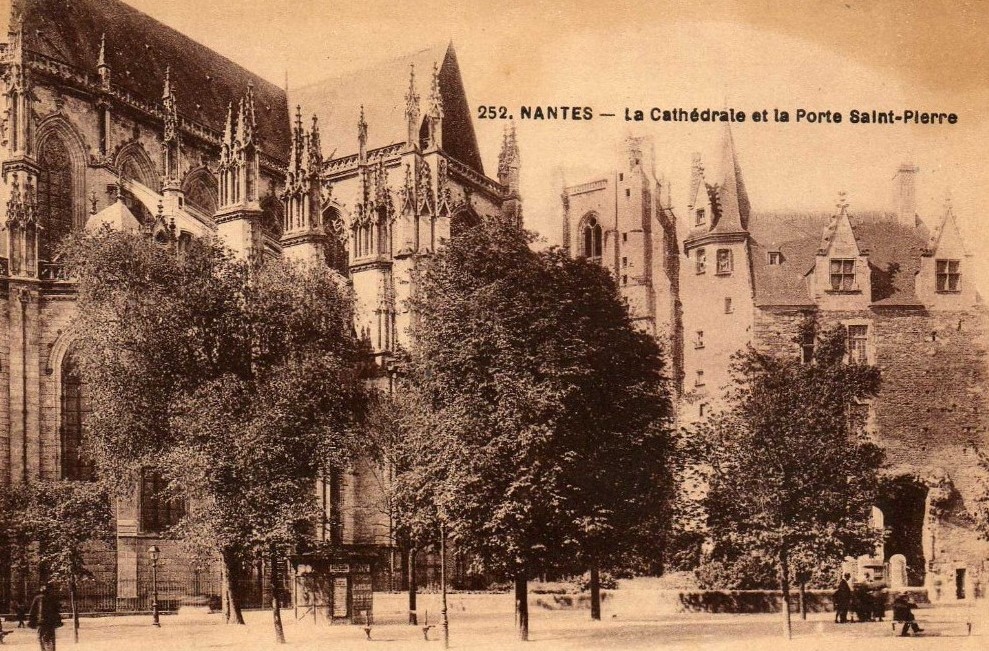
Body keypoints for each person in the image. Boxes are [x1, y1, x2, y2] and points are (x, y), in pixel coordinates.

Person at [27, 585, 62, 651]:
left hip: (41, 622)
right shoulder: (52, 598)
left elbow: (32, 611)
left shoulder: (37, 598)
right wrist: (58, 621)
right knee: (51, 638)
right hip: (50, 622)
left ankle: (43, 649)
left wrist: (31, 621)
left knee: (41, 638)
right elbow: (57, 610)